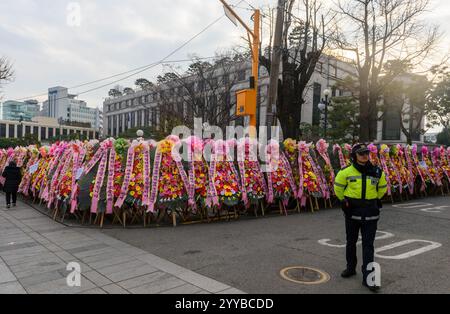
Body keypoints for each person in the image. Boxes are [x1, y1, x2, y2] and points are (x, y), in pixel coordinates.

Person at [334, 143, 388, 292]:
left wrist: (373, 199)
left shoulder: (377, 171)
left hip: (371, 214)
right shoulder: (345, 172)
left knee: (368, 246)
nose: (365, 155)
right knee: (350, 242)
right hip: (352, 213)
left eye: (366, 153)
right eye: (361, 153)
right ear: (354, 156)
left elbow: (383, 188)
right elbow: (338, 187)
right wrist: (344, 200)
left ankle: (369, 279)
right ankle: (350, 268)